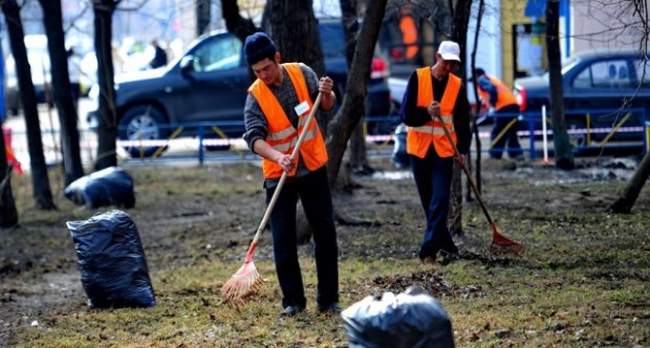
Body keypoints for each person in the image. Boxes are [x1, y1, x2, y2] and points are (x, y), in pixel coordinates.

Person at [242, 32, 339, 316]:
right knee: (283, 241)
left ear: (278, 58)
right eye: (257, 71)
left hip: (312, 167)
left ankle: (328, 300)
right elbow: (254, 139)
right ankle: (293, 302)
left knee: (325, 234)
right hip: (278, 174)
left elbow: (326, 106)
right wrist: (278, 156)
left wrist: (327, 92)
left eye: (267, 68)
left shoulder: (302, 74)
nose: (263, 75)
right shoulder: (255, 97)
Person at [400, 40, 471, 264]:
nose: (448, 68)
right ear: (437, 57)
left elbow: (462, 122)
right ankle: (448, 247)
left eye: (453, 64)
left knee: (439, 199)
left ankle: (427, 251)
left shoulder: (457, 85)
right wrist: (427, 113)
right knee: (429, 202)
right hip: (419, 150)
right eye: (446, 62)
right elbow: (406, 115)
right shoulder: (418, 77)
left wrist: (463, 151)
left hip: (443, 151)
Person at [473, 68, 523, 159]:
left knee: (498, 132)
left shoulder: (481, 79)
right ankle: (516, 154)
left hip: (504, 107)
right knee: (511, 131)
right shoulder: (492, 78)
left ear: (476, 75)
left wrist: (493, 102)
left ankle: (495, 155)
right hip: (513, 106)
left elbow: (491, 89)